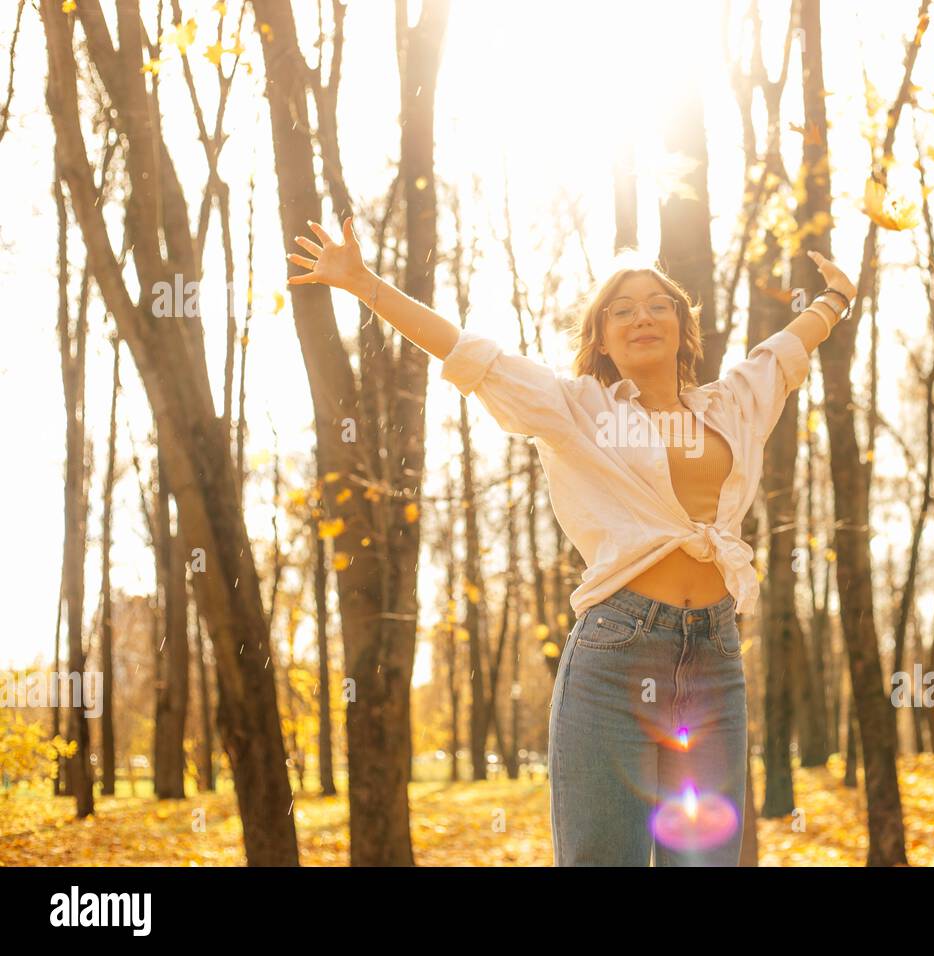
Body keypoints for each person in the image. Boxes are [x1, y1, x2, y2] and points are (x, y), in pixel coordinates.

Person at [287, 217, 855, 865]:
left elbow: (784, 350)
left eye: (657, 305)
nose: (642, 317)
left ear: (680, 326)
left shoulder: (729, 406)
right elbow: (468, 352)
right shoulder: (578, 408)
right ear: (602, 339)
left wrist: (836, 300)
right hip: (615, 656)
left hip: (714, 661)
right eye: (622, 310)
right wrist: (364, 284)